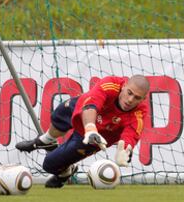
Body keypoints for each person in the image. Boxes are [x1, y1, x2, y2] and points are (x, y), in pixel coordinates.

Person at [16, 75, 150, 188]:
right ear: (124, 85)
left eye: (137, 98)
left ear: (143, 99)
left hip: (98, 137)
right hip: (85, 113)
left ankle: (66, 172)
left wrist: (125, 149)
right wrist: (91, 128)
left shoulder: (139, 113)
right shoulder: (110, 84)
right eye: (129, 93)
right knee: (58, 115)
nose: (130, 100)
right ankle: (46, 140)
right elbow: (91, 104)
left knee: (49, 165)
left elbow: (131, 134)